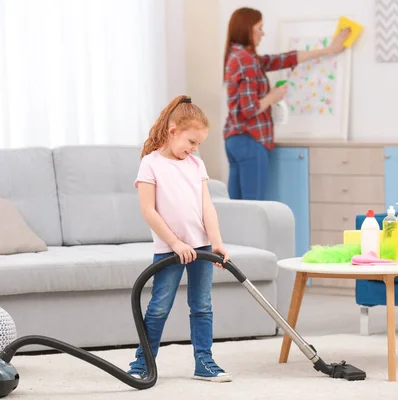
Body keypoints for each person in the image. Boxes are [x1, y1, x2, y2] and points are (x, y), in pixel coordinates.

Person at [127, 94, 232, 382]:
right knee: (159, 307)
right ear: (173, 132)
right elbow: (148, 210)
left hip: (202, 248)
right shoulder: (151, 164)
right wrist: (175, 243)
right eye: (191, 143)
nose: (194, 149)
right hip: (170, 250)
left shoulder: (196, 165)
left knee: (202, 306)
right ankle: (142, 364)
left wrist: (217, 241)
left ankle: (204, 362)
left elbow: (207, 206)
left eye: (198, 144)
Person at [223, 7, 351, 200]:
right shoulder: (246, 60)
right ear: (247, 29)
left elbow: (282, 59)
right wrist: (272, 96)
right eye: (260, 28)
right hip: (250, 139)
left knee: (237, 208)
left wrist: (329, 50)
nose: (263, 33)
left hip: (234, 141)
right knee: (254, 206)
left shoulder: (238, 57)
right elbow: (249, 109)